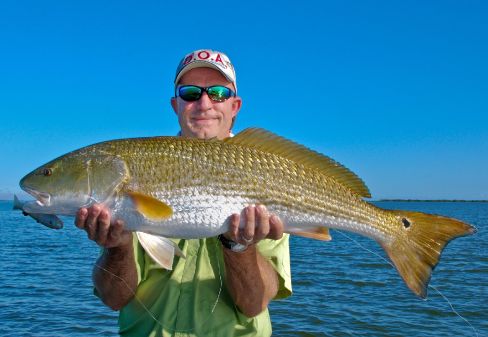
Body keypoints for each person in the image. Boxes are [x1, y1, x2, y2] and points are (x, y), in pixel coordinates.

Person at [75, 49, 292, 337]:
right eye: (190, 93)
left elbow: (253, 305)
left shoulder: (270, 176)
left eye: (217, 93)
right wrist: (118, 247)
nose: (204, 104)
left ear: (235, 105)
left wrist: (240, 246)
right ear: (175, 105)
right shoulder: (136, 173)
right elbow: (114, 299)